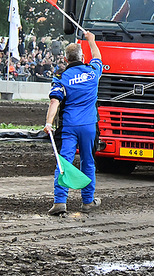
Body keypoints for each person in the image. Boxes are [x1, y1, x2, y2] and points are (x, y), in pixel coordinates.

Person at [44, 31, 103, 215]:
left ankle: (60, 202)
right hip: (89, 126)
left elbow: (54, 101)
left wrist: (48, 123)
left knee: (64, 163)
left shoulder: (61, 78)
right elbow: (98, 57)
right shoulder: (93, 72)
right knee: (88, 162)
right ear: (82, 57)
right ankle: (87, 202)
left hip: (69, 126)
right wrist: (91, 41)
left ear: (65, 59)